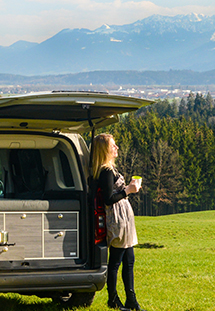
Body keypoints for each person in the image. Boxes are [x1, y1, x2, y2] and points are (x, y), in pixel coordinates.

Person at [91, 133, 143, 311]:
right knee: (116, 262)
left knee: (129, 260)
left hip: (124, 219)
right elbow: (108, 199)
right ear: (105, 149)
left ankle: (131, 300)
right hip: (117, 220)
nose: (117, 148)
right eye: (113, 145)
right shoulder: (105, 171)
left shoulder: (110, 169)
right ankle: (113, 299)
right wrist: (128, 190)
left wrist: (129, 189)